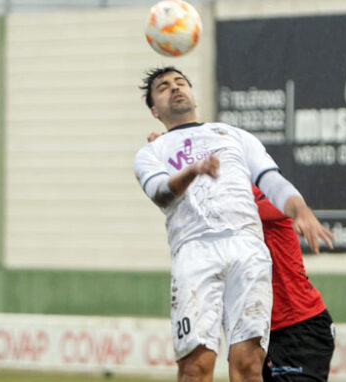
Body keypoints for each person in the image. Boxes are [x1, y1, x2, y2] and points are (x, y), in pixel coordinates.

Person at [134, 66, 333, 382]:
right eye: (163, 86)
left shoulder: (234, 136)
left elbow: (272, 181)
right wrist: (193, 170)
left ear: (194, 94)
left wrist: (300, 208)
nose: (175, 87)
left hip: (247, 249)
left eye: (181, 82)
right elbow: (161, 193)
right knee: (195, 368)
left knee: (249, 367)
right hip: (195, 252)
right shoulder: (151, 152)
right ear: (155, 110)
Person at [253, 185, 335, 382]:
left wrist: (301, 211)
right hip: (263, 330)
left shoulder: (256, 192)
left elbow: (286, 200)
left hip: (299, 327)